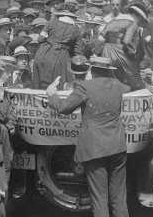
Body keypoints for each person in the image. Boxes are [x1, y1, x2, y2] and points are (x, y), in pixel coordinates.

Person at [47, 56, 130, 217]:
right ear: (108, 71)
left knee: (99, 200)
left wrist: (52, 94)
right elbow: (129, 89)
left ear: (92, 70)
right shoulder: (118, 85)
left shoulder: (85, 87)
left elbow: (63, 107)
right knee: (119, 199)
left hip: (96, 150)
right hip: (118, 147)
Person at [33, 3, 83, 89]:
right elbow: (78, 53)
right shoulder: (77, 29)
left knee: (38, 84)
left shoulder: (51, 22)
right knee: (59, 85)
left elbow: (40, 39)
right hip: (62, 58)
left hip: (43, 54)